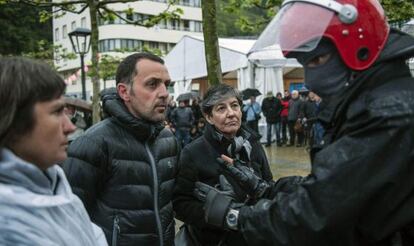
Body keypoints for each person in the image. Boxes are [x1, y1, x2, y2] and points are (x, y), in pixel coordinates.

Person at [193, 0, 414, 245]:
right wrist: (267, 189)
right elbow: (338, 183)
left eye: (316, 61)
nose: (310, 78)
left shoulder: (387, 113)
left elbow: (319, 213)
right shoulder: (379, 101)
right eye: (304, 64)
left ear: (359, 47)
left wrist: (236, 217)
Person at [62, 53, 179, 246]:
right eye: (152, 84)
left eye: (166, 84)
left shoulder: (168, 140)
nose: (164, 92)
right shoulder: (92, 144)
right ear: (124, 92)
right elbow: (69, 221)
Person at [0, 57, 107, 246]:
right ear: (13, 121)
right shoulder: (7, 227)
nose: (70, 127)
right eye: (57, 112)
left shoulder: (55, 181)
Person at [173, 84, 273, 246]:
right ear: (209, 117)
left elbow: (268, 181)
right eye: (221, 108)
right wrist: (218, 213)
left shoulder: (253, 143)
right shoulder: (193, 152)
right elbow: (180, 203)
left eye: (234, 106)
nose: (231, 113)